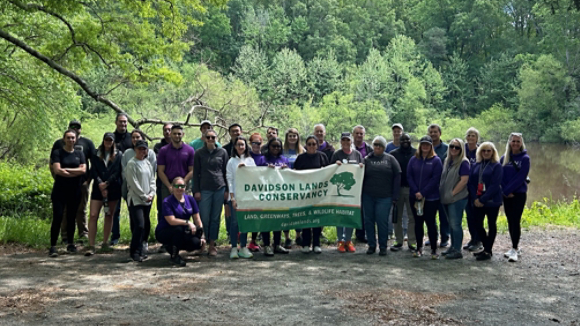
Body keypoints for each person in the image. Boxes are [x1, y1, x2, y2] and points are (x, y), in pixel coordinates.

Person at [50, 120, 95, 243]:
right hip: (61, 184)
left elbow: (91, 164)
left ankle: (83, 234)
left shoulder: (87, 144)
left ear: (80, 129)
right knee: (63, 212)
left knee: (81, 209)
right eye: (72, 127)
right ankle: (64, 237)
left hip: (81, 184)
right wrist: (57, 174)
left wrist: (88, 180)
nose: (75, 129)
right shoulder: (58, 145)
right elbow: (53, 165)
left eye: (77, 127)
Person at [49, 129, 86, 257]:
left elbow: (83, 170)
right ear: (64, 139)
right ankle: (53, 246)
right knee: (58, 217)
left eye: (73, 138)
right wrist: (74, 171)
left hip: (75, 191)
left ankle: (70, 244)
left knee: (72, 218)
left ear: (76, 139)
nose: (71, 140)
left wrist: (67, 171)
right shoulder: (57, 153)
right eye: (68, 138)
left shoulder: (79, 154)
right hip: (60, 191)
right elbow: (57, 170)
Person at [361, 136, 401, 256]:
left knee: (382, 221)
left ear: (384, 147)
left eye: (380, 145)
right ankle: (371, 245)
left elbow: (398, 174)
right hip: (368, 195)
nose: (377, 147)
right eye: (375, 145)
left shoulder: (390, 159)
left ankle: (383, 246)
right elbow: (358, 172)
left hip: (385, 196)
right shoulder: (367, 159)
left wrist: (395, 195)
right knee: (368, 221)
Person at [85, 133, 123, 256]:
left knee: (109, 215)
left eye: (110, 140)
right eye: (106, 139)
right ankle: (91, 245)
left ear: (113, 142)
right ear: (103, 140)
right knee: (93, 214)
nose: (108, 142)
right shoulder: (96, 153)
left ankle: (105, 243)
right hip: (97, 188)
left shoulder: (119, 154)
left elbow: (117, 171)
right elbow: (94, 170)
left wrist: (107, 183)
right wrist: (100, 183)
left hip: (113, 188)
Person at [193, 129, 229, 257]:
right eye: (208, 137)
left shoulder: (222, 152)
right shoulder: (198, 153)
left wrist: (227, 190)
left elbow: (226, 172)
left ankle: (212, 244)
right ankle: (202, 243)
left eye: (213, 137)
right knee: (204, 218)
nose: (210, 140)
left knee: (215, 218)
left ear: (216, 138)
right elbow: (195, 173)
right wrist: (196, 190)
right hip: (204, 189)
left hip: (219, 188)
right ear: (204, 138)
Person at [121, 130, 157, 254]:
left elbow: (152, 179)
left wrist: (152, 193)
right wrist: (143, 195)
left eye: (144, 149)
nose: (142, 151)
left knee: (145, 224)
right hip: (136, 199)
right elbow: (133, 183)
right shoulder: (131, 164)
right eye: (140, 149)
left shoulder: (147, 163)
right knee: (139, 225)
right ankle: (134, 251)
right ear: (135, 149)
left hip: (148, 199)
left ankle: (141, 249)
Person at [156, 177, 205, 267]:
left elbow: (197, 219)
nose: (179, 188)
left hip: (183, 230)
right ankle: (174, 256)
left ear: (185, 187)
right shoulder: (167, 201)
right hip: (165, 231)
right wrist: (188, 222)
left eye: (182, 186)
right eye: (177, 186)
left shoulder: (190, 199)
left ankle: (171, 247)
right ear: (172, 187)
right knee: (178, 229)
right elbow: (171, 221)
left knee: (196, 243)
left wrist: (201, 236)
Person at [407, 136, 443, 259]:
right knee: (418, 223)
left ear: (431, 146)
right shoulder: (413, 159)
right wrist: (416, 191)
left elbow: (435, 179)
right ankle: (419, 248)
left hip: (431, 198)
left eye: (428, 144)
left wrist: (423, 192)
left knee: (431, 223)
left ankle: (434, 249)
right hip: (415, 197)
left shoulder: (436, 160)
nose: (425, 147)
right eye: (423, 144)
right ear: (420, 145)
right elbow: (409, 176)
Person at [468, 142, 503, 261]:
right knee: (477, 224)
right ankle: (486, 247)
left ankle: (487, 250)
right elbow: (471, 183)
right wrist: (475, 199)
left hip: (492, 201)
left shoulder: (496, 166)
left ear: (493, 152)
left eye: (489, 151)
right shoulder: (476, 165)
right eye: (484, 151)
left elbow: (495, 185)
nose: (486, 153)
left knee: (491, 224)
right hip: (477, 200)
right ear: (480, 152)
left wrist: (483, 199)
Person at [295, 135, 330, 254]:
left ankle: (316, 243)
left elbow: (328, 172)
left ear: (317, 145)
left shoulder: (322, 156)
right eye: (309, 144)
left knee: (317, 218)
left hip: (318, 193)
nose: (311, 146)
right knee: (306, 218)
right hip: (304, 193)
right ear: (306, 145)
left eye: (313, 144)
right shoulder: (301, 158)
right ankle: (305, 244)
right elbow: (295, 173)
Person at [256, 137, 290, 256]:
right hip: (266, 194)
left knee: (278, 219)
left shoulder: (284, 160)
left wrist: (287, 170)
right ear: (268, 147)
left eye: (278, 146)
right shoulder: (262, 159)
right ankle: (266, 245)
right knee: (266, 219)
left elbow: (291, 177)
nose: (276, 148)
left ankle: (277, 244)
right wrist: (266, 169)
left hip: (280, 194)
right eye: (273, 146)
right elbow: (256, 174)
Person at [331, 132, 364, 253]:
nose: (346, 142)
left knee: (350, 214)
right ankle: (340, 240)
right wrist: (335, 165)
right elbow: (330, 171)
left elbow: (362, 169)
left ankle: (348, 240)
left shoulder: (357, 154)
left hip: (353, 191)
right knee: (340, 215)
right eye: (343, 140)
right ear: (341, 141)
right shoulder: (336, 154)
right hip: (339, 191)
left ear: (351, 141)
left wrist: (361, 166)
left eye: (348, 140)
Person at [500, 133, 530, 262]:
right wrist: (505, 192)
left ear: (521, 143)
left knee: (515, 220)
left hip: (518, 194)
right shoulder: (504, 158)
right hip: (507, 195)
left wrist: (508, 190)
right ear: (509, 142)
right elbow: (500, 176)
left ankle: (515, 248)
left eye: (518, 141)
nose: (515, 144)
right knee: (510, 220)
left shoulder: (525, 158)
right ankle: (513, 247)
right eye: (513, 141)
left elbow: (521, 177)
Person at [439, 138, 470, 260]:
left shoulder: (463, 162)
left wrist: (452, 194)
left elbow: (464, 181)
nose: (453, 149)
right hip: (446, 198)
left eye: (457, 147)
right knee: (451, 224)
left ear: (461, 149)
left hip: (457, 199)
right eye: (452, 146)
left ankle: (457, 250)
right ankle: (452, 247)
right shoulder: (447, 160)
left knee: (455, 224)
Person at [226, 136, 256, 259]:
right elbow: (229, 179)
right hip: (235, 197)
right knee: (234, 223)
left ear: (245, 146)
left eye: (242, 145)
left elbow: (255, 176)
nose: (240, 147)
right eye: (238, 145)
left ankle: (243, 247)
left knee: (244, 222)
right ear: (235, 146)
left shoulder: (250, 160)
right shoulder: (231, 161)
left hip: (247, 197)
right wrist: (232, 198)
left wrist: (246, 169)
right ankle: (234, 247)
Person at [389, 133, 417, 252]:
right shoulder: (393, 155)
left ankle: (412, 241)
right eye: (402, 140)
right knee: (397, 217)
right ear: (399, 141)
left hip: (412, 189)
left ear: (411, 141)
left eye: (407, 139)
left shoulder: (417, 153)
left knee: (412, 217)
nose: (405, 141)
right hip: (398, 189)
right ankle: (398, 240)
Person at [110, 113, 133, 245]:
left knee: (133, 209)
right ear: (116, 122)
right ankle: (115, 236)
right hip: (115, 180)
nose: (123, 124)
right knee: (115, 210)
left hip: (130, 179)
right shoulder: (111, 138)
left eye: (125, 122)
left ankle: (134, 235)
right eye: (120, 122)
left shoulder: (132, 138)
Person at [157, 125, 195, 202]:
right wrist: (170, 186)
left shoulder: (189, 150)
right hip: (168, 185)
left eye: (179, 134)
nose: (177, 136)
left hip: (184, 185)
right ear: (170, 134)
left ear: (183, 134)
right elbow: (160, 171)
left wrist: (182, 184)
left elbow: (192, 170)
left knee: (184, 211)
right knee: (167, 211)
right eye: (174, 133)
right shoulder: (163, 150)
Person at [427, 124, 450, 248]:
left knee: (443, 214)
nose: (433, 134)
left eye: (435, 132)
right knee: (431, 214)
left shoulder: (447, 149)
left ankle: (445, 238)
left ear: (440, 133)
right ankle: (433, 238)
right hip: (429, 187)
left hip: (443, 186)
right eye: (431, 132)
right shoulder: (425, 148)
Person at [282, 127, 305, 248]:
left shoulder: (302, 151)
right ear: (287, 137)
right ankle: (286, 237)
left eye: (294, 136)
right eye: (290, 136)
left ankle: (298, 235)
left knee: (298, 210)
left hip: (299, 186)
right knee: (286, 211)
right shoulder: (281, 150)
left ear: (298, 137)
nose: (292, 138)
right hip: (285, 185)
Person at [221, 123, 242, 249]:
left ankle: (242, 241)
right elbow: (224, 171)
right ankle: (231, 236)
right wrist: (226, 189)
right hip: (229, 189)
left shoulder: (247, 150)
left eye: (237, 131)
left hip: (244, 191)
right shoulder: (224, 149)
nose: (236, 133)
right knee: (230, 215)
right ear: (229, 133)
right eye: (233, 131)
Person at [154, 123, 172, 253]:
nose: (167, 132)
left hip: (179, 185)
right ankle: (164, 242)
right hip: (162, 185)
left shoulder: (183, 147)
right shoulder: (158, 147)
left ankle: (178, 240)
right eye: (165, 130)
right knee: (162, 212)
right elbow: (159, 165)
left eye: (169, 130)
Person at [352, 125, 372, 243]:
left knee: (364, 209)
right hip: (351, 183)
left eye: (361, 134)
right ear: (353, 134)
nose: (359, 135)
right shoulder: (347, 147)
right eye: (357, 133)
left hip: (366, 182)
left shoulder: (369, 149)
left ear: (364, 135)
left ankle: (362, 233)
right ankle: (347, 234)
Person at [463, 127, 482, 252]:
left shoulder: (481, 150)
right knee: (469, 215)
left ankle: (478, 239)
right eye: (469, 135)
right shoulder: (461, 149)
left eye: (473, 136)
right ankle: (472, 238)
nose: (470, 138)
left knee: (477, 215)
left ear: (477, 138)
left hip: (477, 188)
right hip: (464, 187)